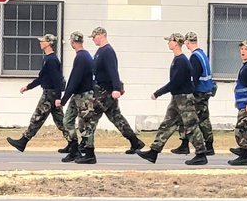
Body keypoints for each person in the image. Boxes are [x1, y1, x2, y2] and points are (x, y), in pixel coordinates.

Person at [137, 33, 209, 165]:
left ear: (176, 43)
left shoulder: (181, 61)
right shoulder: (177, 59)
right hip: (177, 98)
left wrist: (158, 93)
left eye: (170, 41)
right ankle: (153, 152)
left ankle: (201, 154)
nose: (168, 43)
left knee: (191, 126)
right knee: (167, 125)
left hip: (184, 99)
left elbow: (176, 82)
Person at [86, 26, 145, 160]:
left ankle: (86, 146)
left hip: (105, 91)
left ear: (101, 35)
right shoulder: (100, 51)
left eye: (94, 37)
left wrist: (116, 88)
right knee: (116, 117)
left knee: (91, 116)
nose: (93, 40)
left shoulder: (107, 51)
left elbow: (113, 70)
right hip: (101, 90)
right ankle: (135, 142)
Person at [7, 34, 72, 153]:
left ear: (48, 43)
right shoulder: (48, 59)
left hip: (50, 94)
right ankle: (73, 143)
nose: (40, 43)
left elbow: (57, 80)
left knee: (37, 117)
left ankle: (23, 141)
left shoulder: (51, 60)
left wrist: (58, 97)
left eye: (42, 41)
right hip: (51, 93)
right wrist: (28, 87)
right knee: (60, 121)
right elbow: (41, 78)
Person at [169, 31, 216, 156]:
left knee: (189, 119)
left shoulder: (194, 57)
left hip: (199, 92)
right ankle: (209, 145)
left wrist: (189, 90)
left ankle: (186, 145)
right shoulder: (202, 54)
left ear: (187, 42)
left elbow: (194, 77)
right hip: (206, 90)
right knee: (203, 119)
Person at [55, 31, 96, 163]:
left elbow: (75, 79)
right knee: (67, 120)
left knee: (85, 124)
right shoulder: (85, 56)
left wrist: (63, 99)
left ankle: (90, 154)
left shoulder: (81, 57)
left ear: (72, 42)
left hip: (83, 95)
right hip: (77, 94)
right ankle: (74, 150)